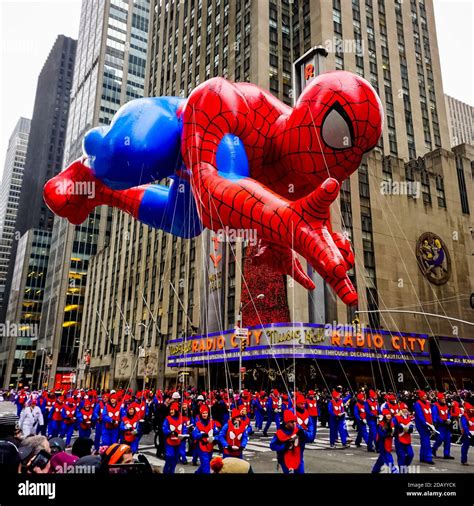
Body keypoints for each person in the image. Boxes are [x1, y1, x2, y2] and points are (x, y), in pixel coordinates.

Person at [270, 409, 311, 474]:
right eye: (292, 422)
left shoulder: (298, 429)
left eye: (295, 421)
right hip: (285, 460)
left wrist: (303, 434)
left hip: (298, 458)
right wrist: (284, 446)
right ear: (286, 422)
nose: (294, 423)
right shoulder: (279, 433)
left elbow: (309, 438)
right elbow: (272, 446)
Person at [192, 404, 219, 474]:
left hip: (210, 446)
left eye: (206, 413)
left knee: (206, 463)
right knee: (206, 464)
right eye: (203, 413)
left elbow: (218, 433)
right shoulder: (198, 424)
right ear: (201, 414)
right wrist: (201, 435)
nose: (205, 415)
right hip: (201, 446)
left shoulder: (212, 423)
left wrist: (214, 438)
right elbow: (194, 435)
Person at [162, 401, 188, 474]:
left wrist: (184, 434)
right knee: (170, 456)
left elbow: (184, 428)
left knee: (176, 459)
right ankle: (166, 471)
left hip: (178, 442)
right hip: (169, 442)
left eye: (173, 410)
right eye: (170, 410)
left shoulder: (181, 418)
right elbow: (164, 428)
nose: (171, 411)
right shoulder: (167, 418)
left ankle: (171, 471)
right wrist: (170, 432)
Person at [372, 409, 398, 473]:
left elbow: (395, 431)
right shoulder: (381, 424)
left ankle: (375, 470)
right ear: (384, 416)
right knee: (387, 455)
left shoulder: (392, 423)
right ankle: (393, 469)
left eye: (389, 414)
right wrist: (387, 434)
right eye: (387, 414)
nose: (389, 416)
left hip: (388, 442)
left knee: (381, 458)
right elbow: (380, 434)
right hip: (382, 442)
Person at [414, 390, 435, 464]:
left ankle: (422, 456)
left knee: (424, 440)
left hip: (428, 424)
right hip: (422, 424)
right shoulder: (417, 404)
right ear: (420, 397)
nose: (425, 397)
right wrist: (425, 423)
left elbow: (430, 413)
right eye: (424, 396)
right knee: (426, 441)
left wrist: (431, 423)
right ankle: (427, 457)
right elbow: (420, 415)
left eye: (426, 395)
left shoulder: (428, 403)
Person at [393, 402, 414, 473]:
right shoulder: (396, 417)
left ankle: (405, 466)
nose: (405, 410)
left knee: (411, 455)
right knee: (401, 456)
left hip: (407, 439)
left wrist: (409, 429)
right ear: (401, 410)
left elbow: (411, 426)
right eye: (404, 408)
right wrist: (401, 428)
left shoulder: (409, 417)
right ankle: (402, 470)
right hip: (399, 440)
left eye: (406, 408)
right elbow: (394, 426)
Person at [432, 393, 454, 459]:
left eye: (444, 398)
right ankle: (434, 449)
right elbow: (435, 416)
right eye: (442, 399)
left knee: (448, 440)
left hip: (446, 425)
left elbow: (448, 414)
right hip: (440, 425)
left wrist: (449, 419)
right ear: (439, 399)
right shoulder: (435, 406)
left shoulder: (446, 406)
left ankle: (446, 454)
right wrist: (442, 421)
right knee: (440, 439)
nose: (444, 400)